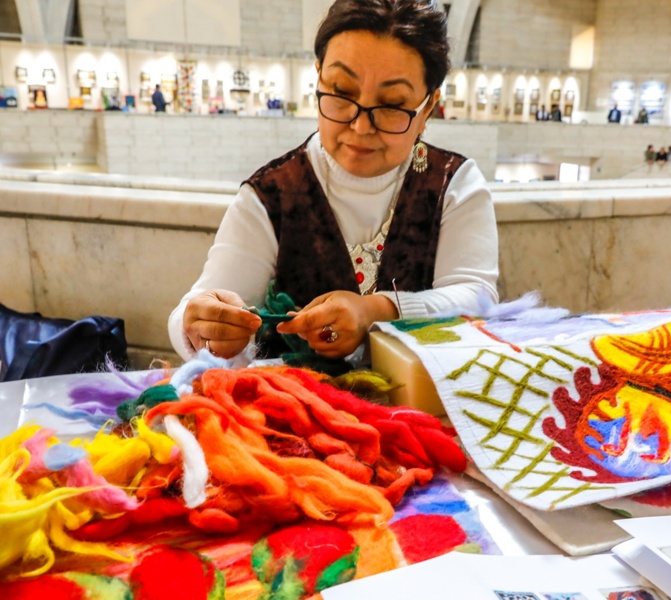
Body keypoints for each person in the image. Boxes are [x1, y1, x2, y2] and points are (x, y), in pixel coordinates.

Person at [168, 0, 499, 362]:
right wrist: (202, 323)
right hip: (293, 411)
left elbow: (477, 297)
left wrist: (375, 310)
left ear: (427, 109)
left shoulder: (454, 186)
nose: (360, 127)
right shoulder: (271, 196)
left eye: (391, 104)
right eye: (341, 92)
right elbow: (199, 306)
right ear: (318, 78)